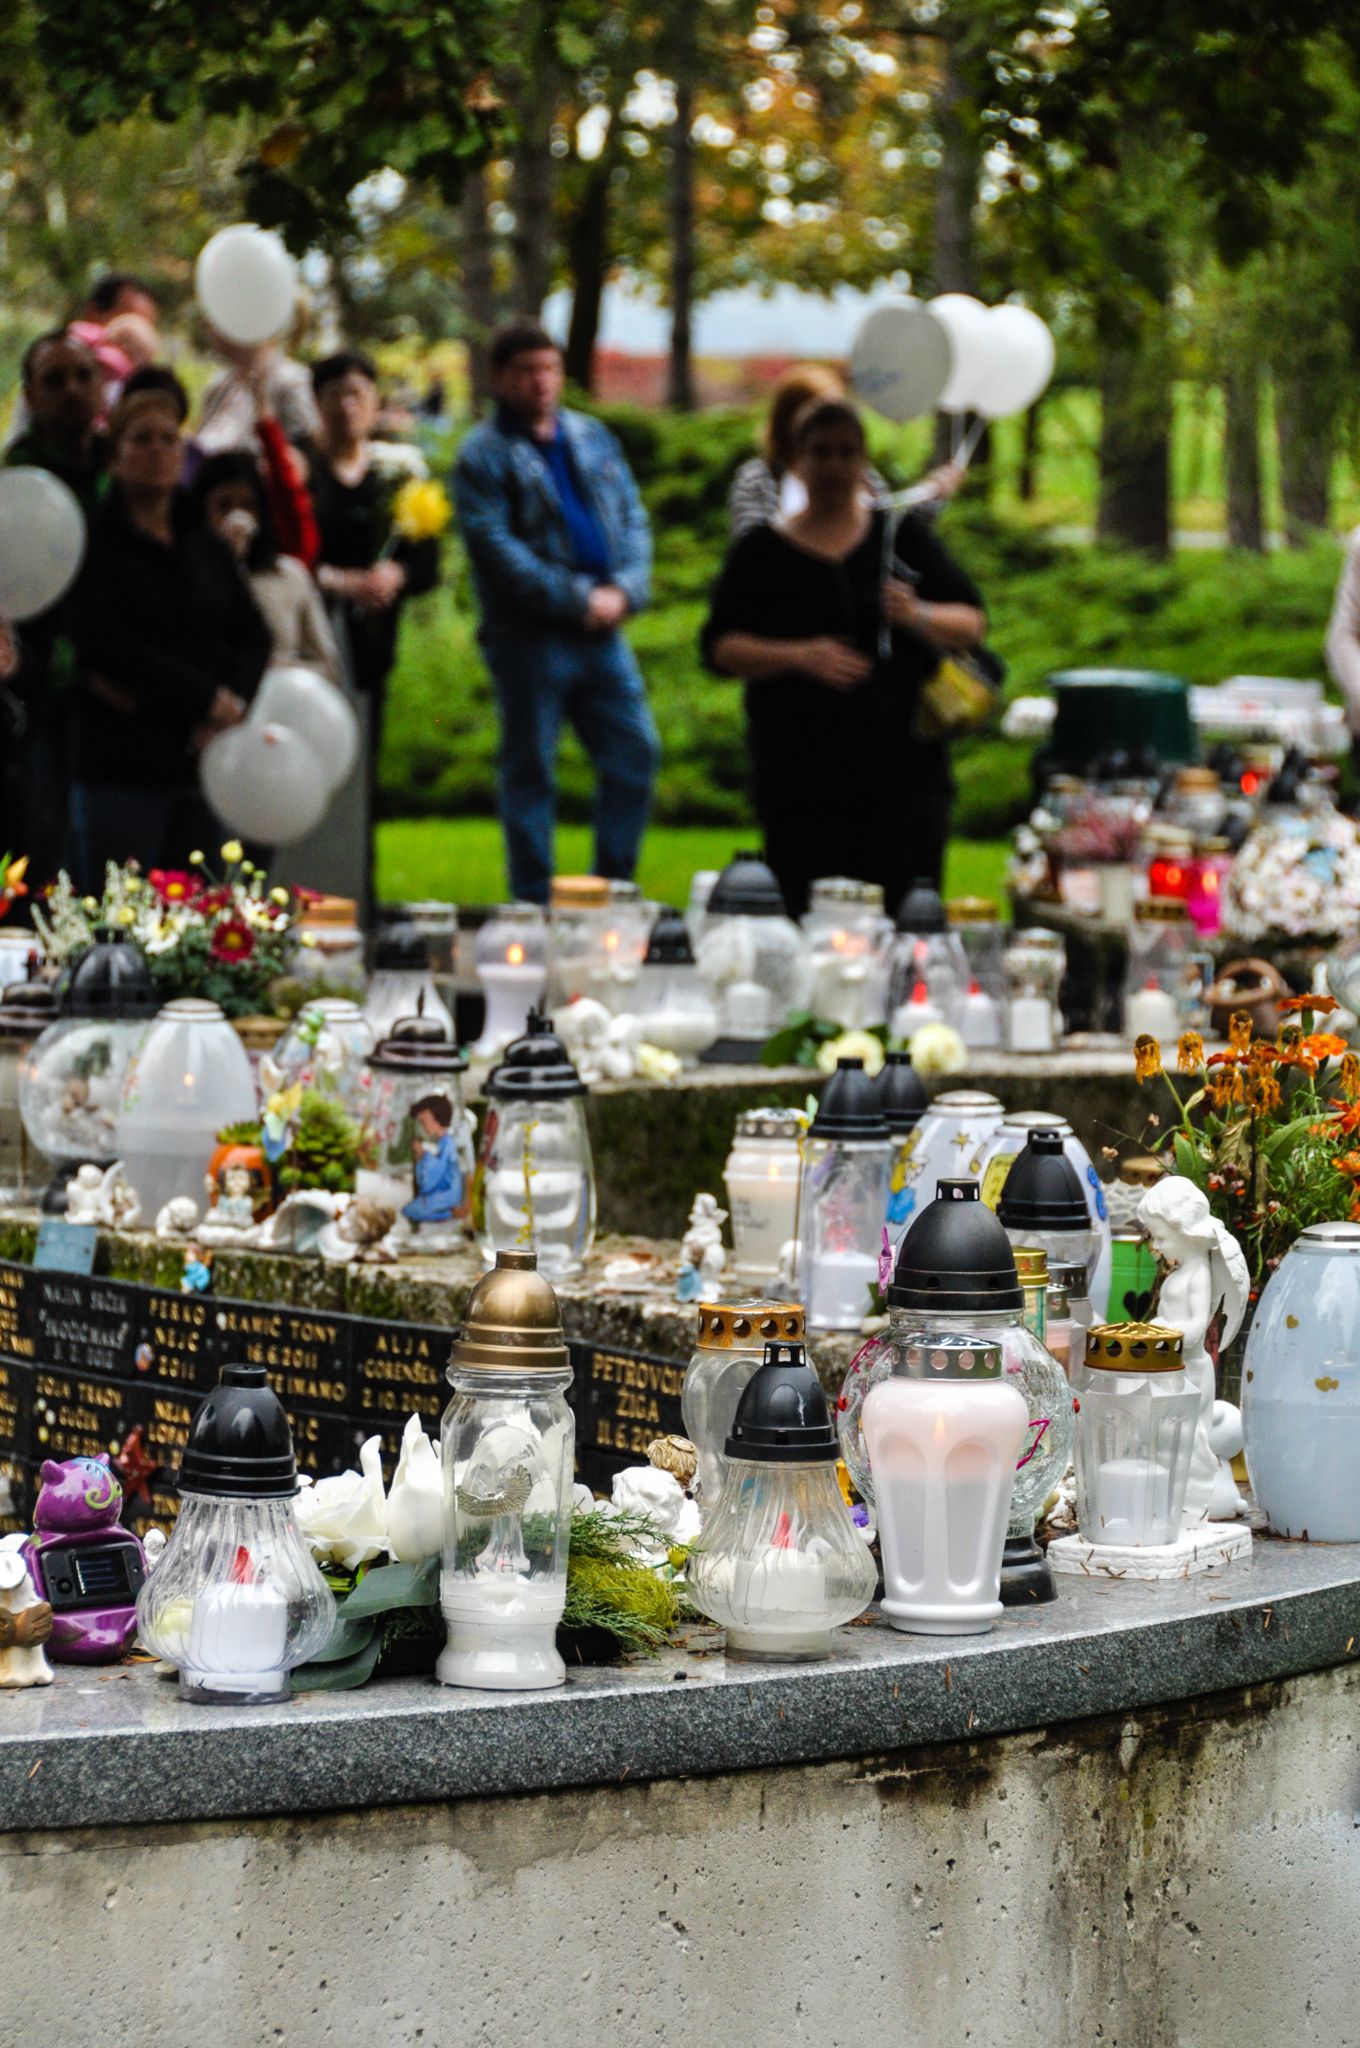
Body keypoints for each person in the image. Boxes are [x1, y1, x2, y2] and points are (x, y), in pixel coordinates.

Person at [701, 396, 987, 917]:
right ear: (796, 461)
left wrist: (917, 615)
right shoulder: (761, 551)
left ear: (864, 461)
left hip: (904, 777)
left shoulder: (899, 537)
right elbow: (720, 648)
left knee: (905, 920)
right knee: (806, 916)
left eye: (847, 453)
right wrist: (798, 655)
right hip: (800, 780)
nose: (834, 466)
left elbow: (971, 623)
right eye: (821, 452)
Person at [453, 318, 659, 904]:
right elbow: (497, 551)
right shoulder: (482, 456)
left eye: (548, 368)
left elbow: (634, 518)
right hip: (530, 637)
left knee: (635, 753)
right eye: (526, 371)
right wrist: (578, 599)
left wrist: (626, 590)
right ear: (499, 378)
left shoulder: (592, 436)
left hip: (605, 633)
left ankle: (611, 892)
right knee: (531, 772)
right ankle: (534, 905)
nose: (541, 382)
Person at [67, 389, 272, 887]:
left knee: (202, 905)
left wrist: (231, 702)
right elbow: (107, 644)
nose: (158, 451)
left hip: (204, 760)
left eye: (168, 439)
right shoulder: (95, 542)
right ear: (115, 458)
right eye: (142, 440)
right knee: (122, 907)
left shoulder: (203, 540)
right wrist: (203, 699)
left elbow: (253, 633)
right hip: (126, 762)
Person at [307, 349, 440, 910]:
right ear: (317, 403)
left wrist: (395, 576)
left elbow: (426, 562)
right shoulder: (301, 472)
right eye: (335, 394)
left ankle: (358, 894)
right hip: (313, 645)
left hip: (370, 653)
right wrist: (340, 582)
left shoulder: (395, 476)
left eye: (357, 393)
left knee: (362, 779)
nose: (347, 406)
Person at [2, 332, 108, 888]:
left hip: (123, 691)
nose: (71, 390)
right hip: (38, 696)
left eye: (83, 375)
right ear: (31, 395)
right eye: (54, 379)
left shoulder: (126, 473)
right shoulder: (13, 484)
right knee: (42, 844)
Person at [727, 362, 961, 539]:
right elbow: (751, 549)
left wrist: (930, 497)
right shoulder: (758, 479)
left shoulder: (863, 477)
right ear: (788, 419)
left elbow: (890, 538)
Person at [189, 451, 339, 684]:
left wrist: (288, 671)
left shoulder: (288, 575)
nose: (237, 518)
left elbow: (327, 664)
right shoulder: (187, 574)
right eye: (223, 506)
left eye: (247, 506)